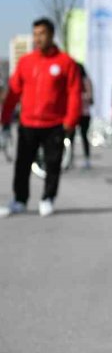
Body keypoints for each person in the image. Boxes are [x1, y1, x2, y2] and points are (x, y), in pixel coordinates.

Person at [0, 18, 82, 217]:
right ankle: (20, 199)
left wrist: (70, 120)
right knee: (22, 164)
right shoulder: (26, 62)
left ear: (51, 35)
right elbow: (14, 92)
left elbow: (74, 93)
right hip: (28, 123)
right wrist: (5, 119)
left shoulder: (65, 62)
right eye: (35, 34)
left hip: (54, 124)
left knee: (52, 164)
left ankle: (47, 198)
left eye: (42, 33)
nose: (38, 38)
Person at [76, 63, 93, 169]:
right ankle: (69, 158)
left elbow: (90, 97)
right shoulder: (73, 80)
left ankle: (87, 158)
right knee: (71, 137)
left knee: (84, 136)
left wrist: (77, 97)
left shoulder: (86, 81)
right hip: (75, 113)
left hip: (84, 113)